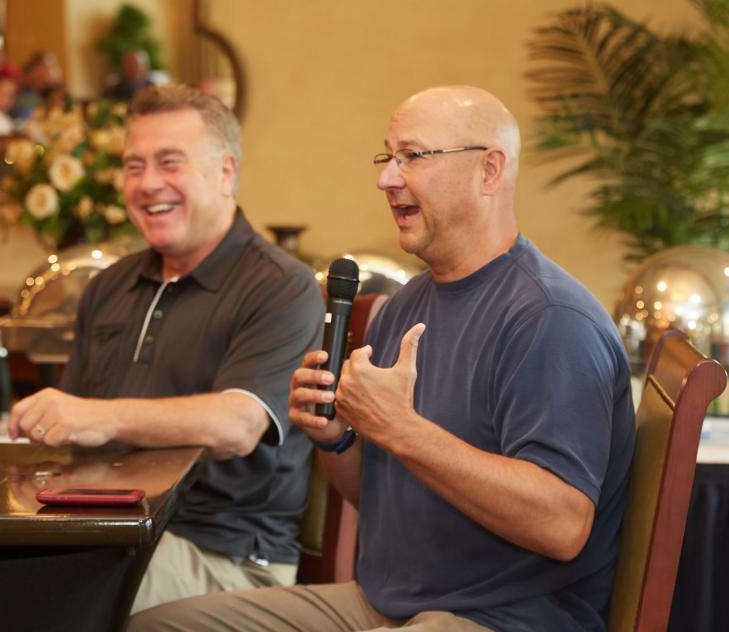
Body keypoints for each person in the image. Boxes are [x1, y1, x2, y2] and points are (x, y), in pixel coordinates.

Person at [129, 86, 637, 632]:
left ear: (489, 171)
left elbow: (561, 525)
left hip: (504, 617)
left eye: (412, 157)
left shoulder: (551, 318)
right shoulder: (403, 308)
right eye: (387, 157)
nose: (387, 179)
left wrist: (401, 429)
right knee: (158, 627)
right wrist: (339, 435)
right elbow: (375, 495)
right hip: (382, 606)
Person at [8, 85, 325, 614]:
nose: (148, 183)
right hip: (105, 530)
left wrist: (103, 418)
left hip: (226, 554)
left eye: (169, 163)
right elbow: (72, 437)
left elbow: (239, 425)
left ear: (226, 173)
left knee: (26, 596)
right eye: (134, 166)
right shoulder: (109, 286)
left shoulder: (280, 286)